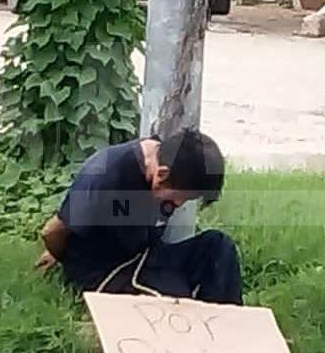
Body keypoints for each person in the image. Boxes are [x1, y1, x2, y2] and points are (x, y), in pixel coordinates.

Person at [36, 129, 244, 305]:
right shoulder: (105, 174)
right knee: (174, 301)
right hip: (106, 272)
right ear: (161, 175)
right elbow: (52, 231)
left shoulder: (164, 157)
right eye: (182, 197)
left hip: (145, 256)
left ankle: (225, 325)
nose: (180, 205)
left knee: (218, 247)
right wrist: (62, 255)